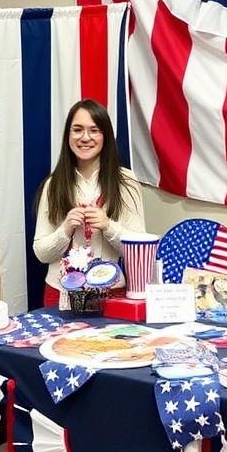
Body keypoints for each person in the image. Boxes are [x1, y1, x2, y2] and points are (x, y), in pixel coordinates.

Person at [32, 98, 145, 307]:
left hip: (111, 293)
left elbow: (140, 249)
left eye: (94, 130)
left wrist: (109, 227)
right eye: (77, 130)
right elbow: (41, 253)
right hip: (60, 294)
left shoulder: (126, 182)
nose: (85, 137)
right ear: (68, 136)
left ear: (106, 137)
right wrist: (64, 231)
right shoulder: (53, 184)